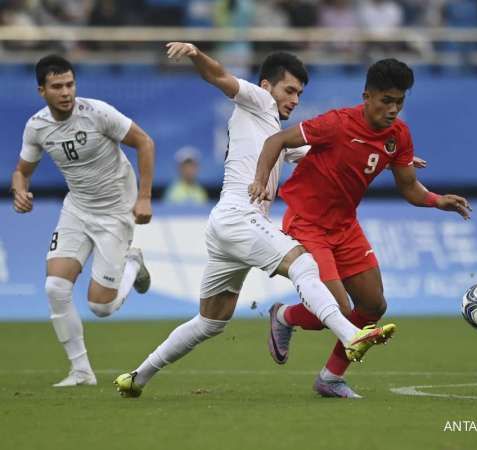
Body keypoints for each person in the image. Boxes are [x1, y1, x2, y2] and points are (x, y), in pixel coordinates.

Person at [114, 43, 396, 398]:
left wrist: (380, 153)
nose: (294, 99)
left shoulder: (276, 132)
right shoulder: (257, 100)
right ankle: (350, 334)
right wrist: (195, 54)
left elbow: (324, 154)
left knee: (210, 321)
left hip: (227, 227)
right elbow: (218, 75)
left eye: (300, 93)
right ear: (267, 87)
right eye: (289, 90)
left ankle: (137, 377)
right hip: (239, 217)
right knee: (303, 264)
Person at [249, 58, 471, 398]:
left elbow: (409, 186)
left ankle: (331, 377)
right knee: (335, 310)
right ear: (367, 96)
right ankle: (286, 316)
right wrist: (262, 183)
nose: (394, 109)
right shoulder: (336, 124)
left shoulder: (399, 135)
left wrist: (436, 200)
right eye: (386, 100)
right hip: (307, 223)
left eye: (400, 101)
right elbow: (275, 142)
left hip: (345, 226)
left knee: (373, 305)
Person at [10, 55, 155, 387]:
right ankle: (81, 372)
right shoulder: (37, 126)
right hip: (77, 208)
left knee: (100, 308)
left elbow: (145, 143)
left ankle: (133, 263)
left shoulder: (98, 113)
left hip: (116, 209)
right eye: (57, 86)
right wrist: (20, 190)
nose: (66, 92)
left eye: (70, 84)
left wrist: (144, 197)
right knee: (55, 287)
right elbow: (21, 171)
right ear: (41, 91)